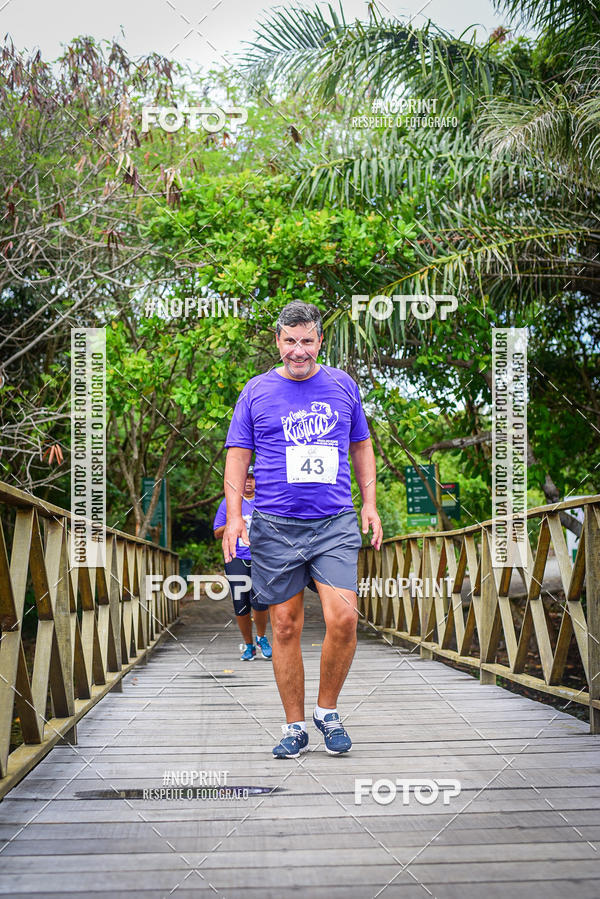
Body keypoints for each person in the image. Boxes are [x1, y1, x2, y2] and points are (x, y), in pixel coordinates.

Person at [221, 300, 382, 758]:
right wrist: (235, 517)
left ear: (319, 341)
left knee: (344, 618)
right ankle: (294, 726)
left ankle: (327, 711)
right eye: (289, 341)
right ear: (278, 341)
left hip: (333, 522)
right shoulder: (256, 391)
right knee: (286, 625)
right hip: (275, 525)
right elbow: (237, 457)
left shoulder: (341, 385)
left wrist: (369, 504)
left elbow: (362, 447)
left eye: (306, 341)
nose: (298, 350)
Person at [213, 466, 272, 661]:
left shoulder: (266, 501)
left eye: (252, 478)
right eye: (245, 477)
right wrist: (235, 523)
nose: (249, 481)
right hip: (236, 557)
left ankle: (261, 638)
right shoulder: (230, 503)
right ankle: (248, 645)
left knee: (260, 602)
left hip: (261, 557)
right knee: (241, 604)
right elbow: (216, 532)